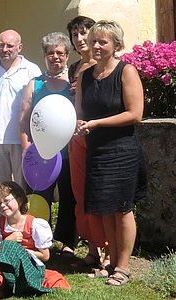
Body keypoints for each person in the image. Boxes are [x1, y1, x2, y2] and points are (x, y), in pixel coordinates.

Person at [75, 20, 147, 286]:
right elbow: (80, 112)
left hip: (122, 150)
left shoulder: (126, 71)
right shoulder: (85, 75)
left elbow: (135, 114)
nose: (96, 46)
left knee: (122, 209)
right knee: (105, 209)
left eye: (102, 41)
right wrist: (80, 125)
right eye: (94, 40)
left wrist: (96, 124)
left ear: (116, 45)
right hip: (96, 150)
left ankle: (124, 267)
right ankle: (111, 261)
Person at [19, 32, 78, 257]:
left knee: (69, 197)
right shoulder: (34, 85)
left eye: (60, 53)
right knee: (37, 198)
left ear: (66, 55)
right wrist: (27, 150)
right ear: (44, 56)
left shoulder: (73, 84)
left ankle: (68, 243)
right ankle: (38, 241)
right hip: (40, 154)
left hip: (68, 152)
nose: (55, 57)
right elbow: (24, 120)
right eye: (50, 53)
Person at [0, 181, 69, 299]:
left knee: (9, 246)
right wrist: (9, 240)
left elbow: (45, 256)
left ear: (19, 200)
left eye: (7, 201)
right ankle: (2, 288)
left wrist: (19, 251)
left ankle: (0, 289)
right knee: (6, 247)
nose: (3, 205)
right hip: (6, 266)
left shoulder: (34, 224)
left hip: (30, 268)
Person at [66, 16, 109, 270]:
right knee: (80, 194)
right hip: (75, 140)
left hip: (98, 138)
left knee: (100, 194)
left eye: (85, 33)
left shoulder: (103, 66)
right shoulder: (73, 68)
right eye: (75, 35)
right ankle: (92, 249)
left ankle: (107, 251)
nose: (80, 39)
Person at [0, 29, 41, 188]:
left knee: (22, 187)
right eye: (1, 45)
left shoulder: (31, 70)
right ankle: (2, 214)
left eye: (9, 45)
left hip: (22, 139)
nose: (4, 49)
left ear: (20, 47)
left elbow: (38, 107)